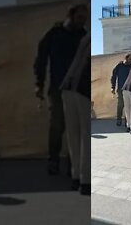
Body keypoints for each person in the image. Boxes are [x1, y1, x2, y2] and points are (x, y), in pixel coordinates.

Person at [33, 4, 88, 175]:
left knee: (77, 128)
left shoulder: (84, 37)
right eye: (79, 18)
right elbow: (41, 60)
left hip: (78, 89)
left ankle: (75, 164)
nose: (82, 22)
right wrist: (39, 84)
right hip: (57, 88)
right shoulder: (54, 34)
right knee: (57, 126)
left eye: (84, 19)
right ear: (70, 16)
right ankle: (54, 161)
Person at [59, 34, 90, 195]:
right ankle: (85, 180)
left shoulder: (83, 38)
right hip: (82, 88)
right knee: (85, 136)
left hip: (69, 86)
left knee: (74, 136)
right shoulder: (85, 38)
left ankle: (77, 177)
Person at [111, 53, 131, 126]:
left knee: (128, 105)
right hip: (121, 89)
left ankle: (127, 121)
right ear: (126, 58)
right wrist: (113, 87)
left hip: (129, 89)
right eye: (130, 59)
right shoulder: (119, 66)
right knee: (120, 105)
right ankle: (119, 119)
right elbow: (113, 77)